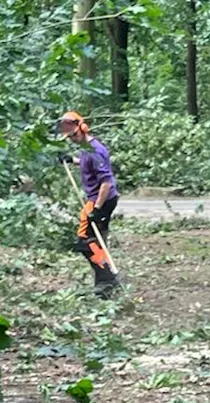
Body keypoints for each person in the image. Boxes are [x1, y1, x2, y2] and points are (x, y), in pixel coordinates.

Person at [57, 111, 121, 298]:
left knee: (85, 241)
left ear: (83, 129)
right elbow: (88, 164)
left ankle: (107, 279)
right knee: (96, 239)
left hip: (102, 200)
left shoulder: (96, 150)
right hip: (98, 199)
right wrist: (72, 161)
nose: (72, 139)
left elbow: (106, 182)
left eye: (74, 135)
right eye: (69, 137)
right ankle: (104, 279)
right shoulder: (86, 148)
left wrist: (97, 208)